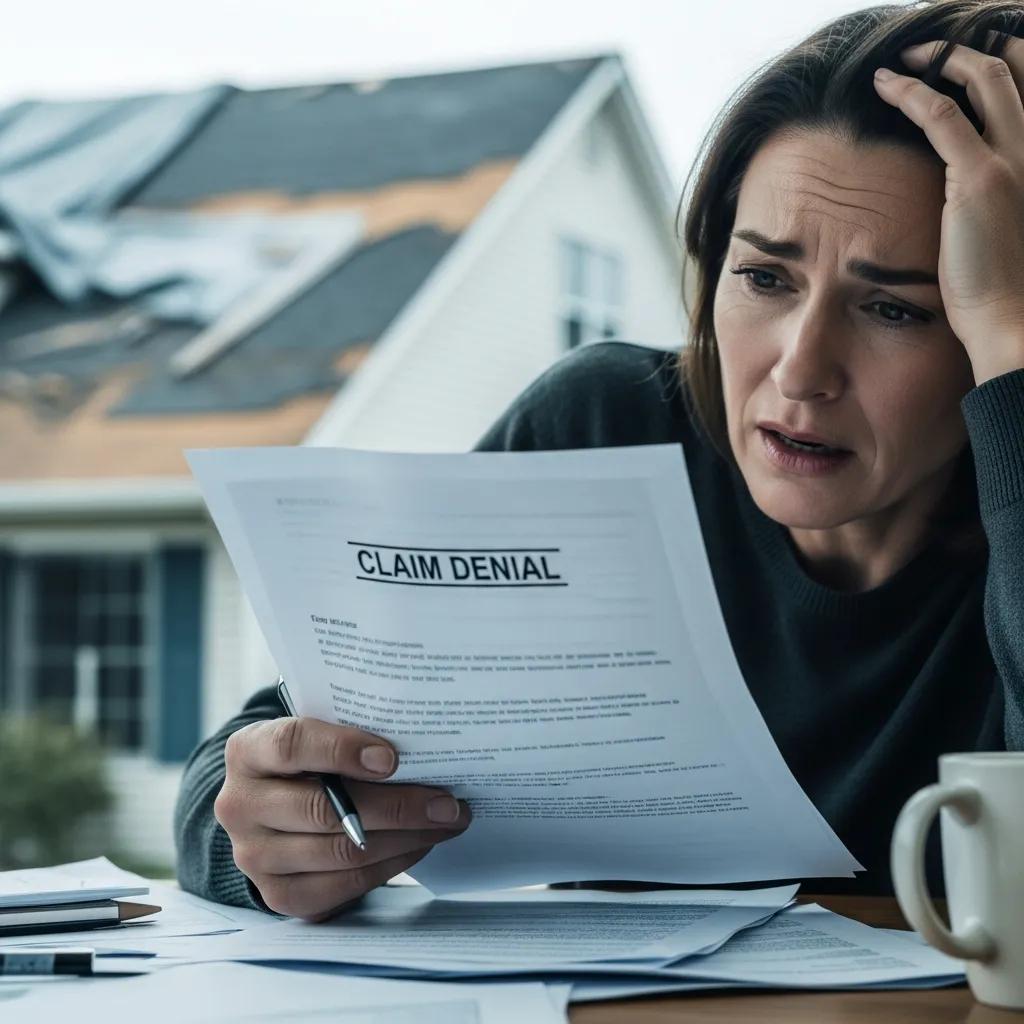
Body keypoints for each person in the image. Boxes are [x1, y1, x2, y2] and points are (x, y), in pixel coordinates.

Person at [174, 0, 1024, 920]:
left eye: (896, 309)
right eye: (763, 277)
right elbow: (243, 769)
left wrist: (1011, 351)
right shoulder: (608, 424)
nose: (800, 371)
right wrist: (263, 836)